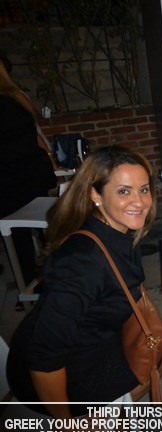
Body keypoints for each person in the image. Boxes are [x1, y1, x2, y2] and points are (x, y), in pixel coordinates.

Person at [6, 146, 156, 420]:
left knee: (159, 348)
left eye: (144, 189)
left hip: (91, 339)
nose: (140, 201)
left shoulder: (119, 232)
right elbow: (43, 357)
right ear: (95, 195)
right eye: (124, 191)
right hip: (56, 373)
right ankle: (103, 420)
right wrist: (69, 424)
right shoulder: (81, 263)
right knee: (152, 360)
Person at [0, 51, 57, 310]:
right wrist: (51, 161)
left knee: (20, 236)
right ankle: (51, 282)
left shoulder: (15, 99)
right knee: (43, 229)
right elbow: (36, 136)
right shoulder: (19, 98)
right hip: (33, 173)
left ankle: (31, 291)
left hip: (11, 179)